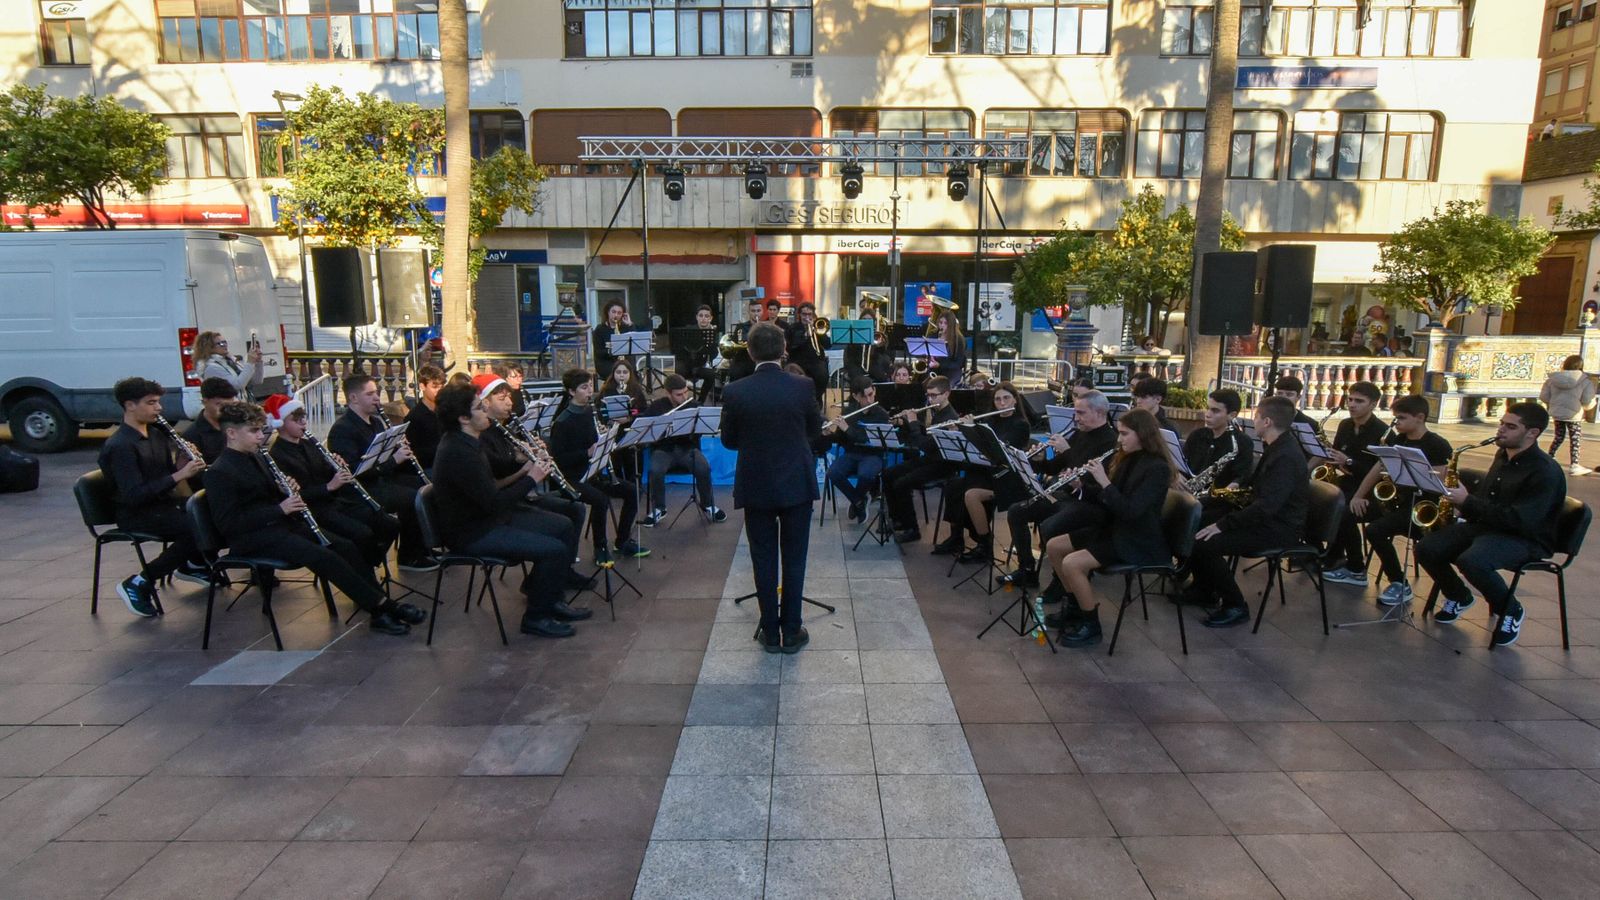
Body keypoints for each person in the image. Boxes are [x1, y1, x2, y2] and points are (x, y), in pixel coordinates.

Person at [203, 401, 423, 636]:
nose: (261, 437)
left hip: (280, 526)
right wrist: (281, 508)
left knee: (345, 546)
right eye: (254, 431)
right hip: (252, 537)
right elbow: (229, 524)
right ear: (231, 433)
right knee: (322, 556)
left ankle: (376, 605)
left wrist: (283, 488)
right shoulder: (220, 472)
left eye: (261, 430)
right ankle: (383, 608)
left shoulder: (255, 457)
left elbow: (263, 494)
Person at [431, 382, 591, 638]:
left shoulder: (469, 441)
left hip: (488, 518)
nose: (485, 410)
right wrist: (532, 479)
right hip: (473, 532)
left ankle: (550, 599)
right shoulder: (458, 452)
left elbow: (491, 487)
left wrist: (524, 470)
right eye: (479, 408)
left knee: (563, 525)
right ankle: (536, 618)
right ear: (463, 418)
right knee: (554, 549)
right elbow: (494, 502)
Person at [1420, 402, 1567, 646]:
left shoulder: (1545, 472)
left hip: (1526, 538)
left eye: (1510, 427)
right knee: (1428, 547)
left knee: (1473, 560)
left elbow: (1521, 521)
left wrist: (1468, 502)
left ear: (1533, 433)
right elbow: (1490, 501)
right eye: (1501, 424)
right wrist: (1463, 506)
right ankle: (1459, 595)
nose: (1501, 431)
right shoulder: (1503, 455)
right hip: (1490, 526)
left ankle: (1510, 610)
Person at [721, 322, 823, 653]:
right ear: (783, 351)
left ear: (749, 352)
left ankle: (770, 631)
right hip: (796, 481)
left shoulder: (736, 391)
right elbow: (814, 429)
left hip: (757, 484)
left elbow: (729, 440)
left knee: (762, 558)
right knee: (795, 558)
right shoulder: (803, 386)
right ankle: (792, 630)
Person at [1044, 407, 1176, 646]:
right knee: (1054, 546)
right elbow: (1109, 496)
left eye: (1125, 434)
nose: (1119, 439)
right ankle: (1075, 605)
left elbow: (1130, 510)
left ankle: (1091, 624)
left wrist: (1103, 481)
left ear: (1142, 435)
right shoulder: (1128, 458)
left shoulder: (1157, 468)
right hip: (1114, 528)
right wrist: (1080, 487)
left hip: (1137, 538)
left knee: (1072, 563)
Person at [1187, 396, 1310, 628]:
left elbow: (1267, 507)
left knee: (1205, 543)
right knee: (1196, 522)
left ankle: (1235, 605)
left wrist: (1223, 524)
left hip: (1278, 528)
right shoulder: (1277, 446)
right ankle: (1204, 589)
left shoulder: (1286, 457)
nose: (1253, 421)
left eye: (1256, 416)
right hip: (1265, 519)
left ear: (1267, 421)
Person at [99, 377, 211, 617]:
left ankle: (193, 563)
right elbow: (133, 495)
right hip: (137, 514)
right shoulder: (120, 446)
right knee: (197, 528)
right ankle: (140, 581)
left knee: (214, 513)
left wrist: (183, 464)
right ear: (129, 405)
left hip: (163, 505)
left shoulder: (156, 435)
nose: (158, 408)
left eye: (158, 402)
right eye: (151, 403)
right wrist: (179, 474)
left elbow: (166, 475)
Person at [470, 373, 587, 582]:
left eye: (509, 397)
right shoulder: (483, 435)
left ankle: (562, 572)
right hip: (507, 505)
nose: (509, 402)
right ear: (485, 403)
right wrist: (528, 470)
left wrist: (528, 454)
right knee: (561, 525)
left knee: (575, 508)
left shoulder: (501, 429)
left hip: (519, 496)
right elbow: (496, 481)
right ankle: (543, 585)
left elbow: (507, 462)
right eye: (502, 398)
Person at [1336, 394, 1451, 605]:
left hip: (1422, 506)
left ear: (1419, 417)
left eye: (1401, 418)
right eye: (1395, 417)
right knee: (1345, 512)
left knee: (1375, 530)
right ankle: (1356, 568)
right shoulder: (1399, 440)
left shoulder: (1437, 445)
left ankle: (1399, 582)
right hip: (1398, 502)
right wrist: (1358, 496)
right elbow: (1378, 468)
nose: (1396, 422)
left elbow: (1440, 481)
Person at [1002, 390, 1118, 594]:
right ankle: (1026, 569)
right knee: (1016, 511)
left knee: (1051, 526)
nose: (1076, 418)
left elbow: (1090, 478)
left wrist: (1067, 451)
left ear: (1099, 412)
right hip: (1067, 495)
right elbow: (1057, 467)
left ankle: (1060, 581)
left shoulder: (1110, 441)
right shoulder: (1080, 432)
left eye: (1081, 413)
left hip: (1089, 501)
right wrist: (1038, 461)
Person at [263, 394, 399, 569]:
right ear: (280, 423)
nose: (303, 423)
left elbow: (326, 474)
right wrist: (329, 486)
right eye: (296, 420)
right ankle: (361, 571)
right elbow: (295, 495)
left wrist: (337, 466)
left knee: (389, 523)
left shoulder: (309, 444)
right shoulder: (277, 455)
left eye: (303, 418)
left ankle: (365, 565)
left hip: (335, 503)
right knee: (362, 534)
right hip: (315, 511)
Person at [327, 373, 435, 572]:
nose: (377, 398)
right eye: (370, 394)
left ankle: (421, 547)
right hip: (360, 490)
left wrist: (398, 449)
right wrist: (395, 459)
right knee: (412, 498)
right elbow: (354, 472)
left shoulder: (376, 422)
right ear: (353, 398)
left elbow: (383, 458)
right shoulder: (343, 429)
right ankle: (408, 556)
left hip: (380, 479)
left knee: (424, 487)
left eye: (376, 393)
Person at [548, 368, 649, 566]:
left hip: (591, 473)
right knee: (600, 500)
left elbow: (593, 443)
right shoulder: (562, 422)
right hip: (571, 478)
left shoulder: (588, 411)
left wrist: (602, 436)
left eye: (590, 387)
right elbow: (559, 460)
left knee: (632, 490)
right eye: (584, 388)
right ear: (571, 392)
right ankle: (600, 547)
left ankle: (622, 541)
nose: (589, 392)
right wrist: (587, 452)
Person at [936, 381, 1033, 562]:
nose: (1002, 403)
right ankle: (956, 537)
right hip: (986, 472)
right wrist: (960, 430)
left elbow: (999, 450)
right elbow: (976, 450)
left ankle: (984, 545)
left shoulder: (1020, 425)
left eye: (1006, 398)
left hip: (1006, 477)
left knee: (971, 495)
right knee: (953, 485)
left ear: (1014, 401)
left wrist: (974, 430)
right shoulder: (990, 421)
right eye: (998, 399)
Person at [1318, 381, 1390, 584]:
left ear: (1373, 404)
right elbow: (1339, 454)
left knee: (1342, 511)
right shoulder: (1345, 425)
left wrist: (1348, 461)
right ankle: (1326, 553)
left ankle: (1356, 566)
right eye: (1350, 399)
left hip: (1371, 490)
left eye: (1359, 401)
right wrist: (1331, 459)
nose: (1352, 404)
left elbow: (1381, 471)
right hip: (1348, 481)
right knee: (1314, 499)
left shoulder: (1383, 432)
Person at [884, 375, 961, 543]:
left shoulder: (950, 417)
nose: (930, 398)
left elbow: (924, 445)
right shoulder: (935, 411)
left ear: (946, 394)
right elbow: (926, 435)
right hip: (930, 460)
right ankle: (898, 520)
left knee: (902, 483)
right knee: (888, 474)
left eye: (934, 395)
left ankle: (912, 529)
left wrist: (912, 422)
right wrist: (904, 422)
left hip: (942, 464)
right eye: (928, 395)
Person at [640, 373, 724, 525]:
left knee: (704, 468)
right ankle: (659, 508)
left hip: (688, 449)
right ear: (668, 393)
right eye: (679, 394)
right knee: (655, 470)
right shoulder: (657, 406)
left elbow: (702, 429)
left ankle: (707, 504)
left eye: (686, 392)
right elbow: (646, 430)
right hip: (663, 450)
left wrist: (693, 429)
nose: (684, 397)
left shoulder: (693, 406)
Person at [826, 376, 892, 523]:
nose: (869, 400)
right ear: (855, 396)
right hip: (852, 454)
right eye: (864, 396)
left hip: (873, 455)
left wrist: (848, 429)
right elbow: (840, 440)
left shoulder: (881, 414)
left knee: (866, 475)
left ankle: (857, 500)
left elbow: (867, 439)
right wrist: (829, 434)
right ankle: (859, 501)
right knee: (833, 473)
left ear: (874, 390)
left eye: (871, 394)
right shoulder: (850, 411)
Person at [1182, 389, 1254, 494]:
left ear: (1232, 415)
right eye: (1208, 408)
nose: (1208, 414)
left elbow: (1242, 476)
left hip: (1216, 501)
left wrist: (1228, 489)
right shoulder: (1197, 435)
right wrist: (1176, 475)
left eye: (1215, 411)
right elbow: (1181, 463)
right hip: (1187, 493)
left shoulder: (1242, 442)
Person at [1541, 354, 1596, 476]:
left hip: (1558, 413)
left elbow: (1544, 396)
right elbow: (1587, 400)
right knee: (1575, 439)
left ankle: (1549, 458)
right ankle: (1574, 465)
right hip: (1574, 414)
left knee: (1558, 437)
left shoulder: (1553, 379)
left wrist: (1554, 403)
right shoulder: (1584, 380)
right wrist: (1586, 407)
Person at [183, 377, 238, 491]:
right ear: (204, 402)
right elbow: (195, 476)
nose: (225, 410)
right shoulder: (193, 435)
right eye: (219, 404)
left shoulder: (233, 424)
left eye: (230, 405)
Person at [599, 358, 648, 481]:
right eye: (618, 372)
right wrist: (608, 421)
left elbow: (643, 411)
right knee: (616, 460)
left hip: (631, 430)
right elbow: (600, 411)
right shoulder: (606, 390)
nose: (621, 375)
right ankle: (619, 483)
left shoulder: (636, 390)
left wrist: (629, 417)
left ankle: (635, 484)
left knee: (633, 459)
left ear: (630, 374)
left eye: (625, 372)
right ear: (613, 374)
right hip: (614, 432)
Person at [785, 301, 832, 404]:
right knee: (792, 375)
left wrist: (819, 333)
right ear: (799, 315)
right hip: (797, 361)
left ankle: (816, 400)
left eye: (809, 314)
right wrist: (805, 335)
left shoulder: (818, 326)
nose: (807, 317)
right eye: (804, 314)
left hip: (816, 360)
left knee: (823, 375)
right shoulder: (793, 328)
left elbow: (828, 345)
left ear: (813, 314)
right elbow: (791, 347)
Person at [192, 330, 263, 398]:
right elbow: (237, 386)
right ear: (209, 347)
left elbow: (256, 381)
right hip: (228, 407)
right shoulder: (212, 368)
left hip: (240, 404)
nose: (225, 345)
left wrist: (257, 362)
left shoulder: (229, 361)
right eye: (220, 343)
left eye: (225, 342)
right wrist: (250, 362)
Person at [404, 364, 446, 473]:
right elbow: (414, 453)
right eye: (435, 386)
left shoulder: (444, 410)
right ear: (422, 386)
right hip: (428, 468)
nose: (440, 390)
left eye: (442, 386)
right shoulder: (414, 417)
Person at [592, 298, 647, 380]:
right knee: (619, 373)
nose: (616, 315)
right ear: (608, 312)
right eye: (613, 312)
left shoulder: (626, 327)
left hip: (625, 362)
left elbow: (635, 343)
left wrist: (630, 324)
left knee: (630, 372)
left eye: (619, 313)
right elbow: (598, 352)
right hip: (607, 363)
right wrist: (611, 350)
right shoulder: (600, 329)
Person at [675, 304, 721, 401]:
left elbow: (714, 354)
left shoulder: (711, 333)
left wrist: (711, 340)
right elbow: (679, 350)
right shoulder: (688, 330)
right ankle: (681, 401)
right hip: (685, 365)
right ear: (697, 317)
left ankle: (701, 401)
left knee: (711, 374)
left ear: (710, 318)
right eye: (701, 316)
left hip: (699, 366)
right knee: (679, 370)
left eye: (706, 316)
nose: (703, 319)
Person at [727, 297, 766, 383]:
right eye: (753, 311)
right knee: (735, 372)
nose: (756, 314)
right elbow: (735, 343)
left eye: (758, 311)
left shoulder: (765, 328)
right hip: (743, 360)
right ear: (749, 312)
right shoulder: (741, 327)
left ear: (762, 312)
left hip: (759, 361)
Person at [930, 313, 966, 385]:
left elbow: (958, 363)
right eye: (940, 322)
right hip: (935, 369)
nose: (942, 325)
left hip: (951, 371)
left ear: (951, 325)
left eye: (946, 323)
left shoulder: (958, 340)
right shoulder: (934, 336)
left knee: (945, 385)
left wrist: (940, 365)